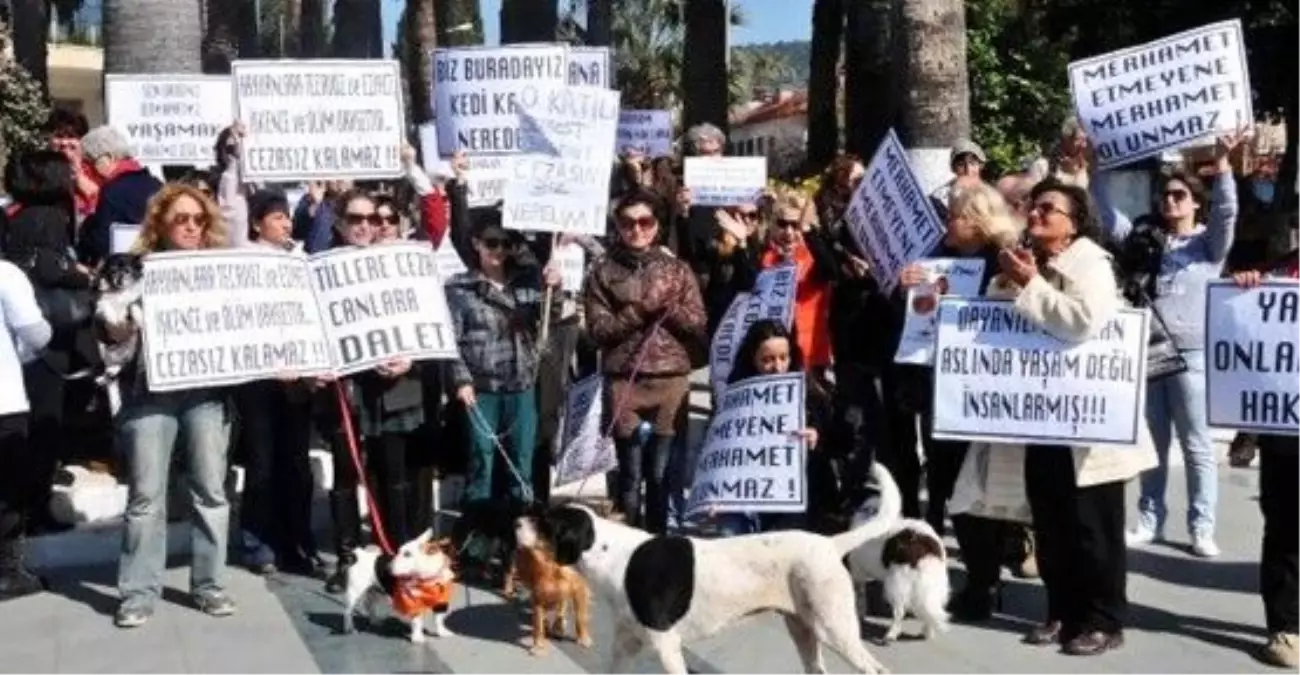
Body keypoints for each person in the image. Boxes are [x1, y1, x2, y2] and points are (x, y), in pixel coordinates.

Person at [989, 179, 1155, 655]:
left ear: (1073, 222)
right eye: (1033, 206)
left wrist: (1030, 284)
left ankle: (1104, 619)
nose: (1035, 214)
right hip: (1043, 417)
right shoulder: (1022, 258)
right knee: (1051, 523)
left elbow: (1081, 321)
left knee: (1093, 529)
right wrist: (1007, 281)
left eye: (1048, 208)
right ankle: (1060, 611)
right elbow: (997, 316)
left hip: (1091, 425)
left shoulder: (1092, 263)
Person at [1100, 131, 1243, 558]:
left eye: (1179, 195)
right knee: (1153, 442)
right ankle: (1149, 517)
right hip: (1149, 351)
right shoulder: (1147, 240)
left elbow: (1228, 213)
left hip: (1192, 356)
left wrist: (1224, 169)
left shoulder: (1208, 245)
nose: (1170, 202)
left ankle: (1202, 525)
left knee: (1196, 443)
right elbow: (1107, 217)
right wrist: (1096, 167)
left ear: (1195, 202)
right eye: (1165, 195)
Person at [894, 182, 1031, 620]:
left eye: (953, 214)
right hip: (939, 387)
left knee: (976, 494)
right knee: (943, 485)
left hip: (984, 393)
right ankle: (939, 579)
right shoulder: (937, 252)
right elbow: (920, 314)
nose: (945, 223)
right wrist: (909, 289)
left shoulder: (1004, 260)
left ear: (975, 219)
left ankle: (983, 580)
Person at [107, 185, 236, 628]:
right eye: (181, 218)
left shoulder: (223, 271)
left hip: (206, 392)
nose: (190, 226)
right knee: (146, 496)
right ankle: (139, 592)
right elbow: (109, 339)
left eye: (198, 219)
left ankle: (210, 585)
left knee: (211, 491)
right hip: (149, 394)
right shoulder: (132, 269)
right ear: (160, 221)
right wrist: (118, 327)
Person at [584, 189, 707, 534]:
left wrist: (669, 309)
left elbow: (697, 322)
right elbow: (598, 329)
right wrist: (641, 310)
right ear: (617, 227)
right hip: (626, 380)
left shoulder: (677, 270)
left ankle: (657, 543)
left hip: (670, 379)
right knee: (630, 474)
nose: (636, 230)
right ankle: (631, 542)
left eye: (644, 222)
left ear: (656, 225)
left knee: (661, 473)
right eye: (627, 223)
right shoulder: (602, 271)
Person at [445, 213, 560, 578]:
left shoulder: (527, 281)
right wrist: (460, 380)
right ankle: (476, 546)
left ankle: (517, 551)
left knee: (520, 467)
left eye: (505, 244)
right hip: (482, 389)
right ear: (476, 243)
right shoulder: (459, 288)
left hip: (521, 386)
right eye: (490, 242)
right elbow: (451, 341)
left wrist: (554, 288)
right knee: (481, 463)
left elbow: (548, 320)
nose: (498, 251)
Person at [2, 150, 99, 530]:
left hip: (26, 335)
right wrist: (82, 276)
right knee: (46, 425)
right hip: (45, 334)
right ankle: (35, 509)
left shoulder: (18, 216)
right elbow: (49, 266)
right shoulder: (49, 218)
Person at [231, 191, 318, 576]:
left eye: (288, 217)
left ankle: (297, 543)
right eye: (277, 217)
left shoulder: (301, 261)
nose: (286, 223)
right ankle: (258, 545)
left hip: (298, 379)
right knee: (262, 464)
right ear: (256, 223)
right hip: (259, 380)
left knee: (296, 464)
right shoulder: (243, 260)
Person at [1230, 261, 1300, 667]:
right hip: (1287, 425)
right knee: (1287, 528)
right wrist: (1244, 294)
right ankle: (1287, 627)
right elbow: (1244, 334)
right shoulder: (1281, 277)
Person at [709, 319, 833, 535]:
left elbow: (836, 440)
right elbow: (721, 449)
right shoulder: (736, 395)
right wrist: (718, 492)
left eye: (783, 358)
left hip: (795, 496)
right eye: (767, 360)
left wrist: (817, 436)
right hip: (747, 494)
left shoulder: (810, 393)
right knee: (729, 532)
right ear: (752, 359)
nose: (777, 367)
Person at [0, 257, 53, 600]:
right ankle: (7, 572)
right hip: (3, 401)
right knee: (6, 493)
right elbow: (36, 332)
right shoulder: (5, 272)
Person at [78, 125, 164, 267]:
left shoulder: (112, 192)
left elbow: (102, 244)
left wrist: (85, 232)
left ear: (108, 158)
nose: (87, 170)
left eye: (89, 163)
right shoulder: (158, 185)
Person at [43, 108, 100, 219]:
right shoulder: (39, 167)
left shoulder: (95, 169)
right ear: (50, 139)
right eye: (59, 137)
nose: (64, 143)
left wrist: (78, 175)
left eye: (71, 137)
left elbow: (100, 199)